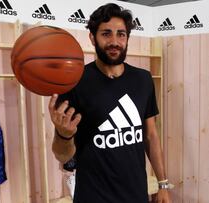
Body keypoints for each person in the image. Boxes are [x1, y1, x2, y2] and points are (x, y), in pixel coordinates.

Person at [48, 3, 171, 203]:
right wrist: (64, 134)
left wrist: (163, 184)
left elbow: (151, 135)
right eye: (106, 34)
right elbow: (63, 156)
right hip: (93, 196)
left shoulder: (143, 80)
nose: (115, 41)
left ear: (127, 38)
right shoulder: (74, 83)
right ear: (92, 37)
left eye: (121, 34)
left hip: (136, 195)